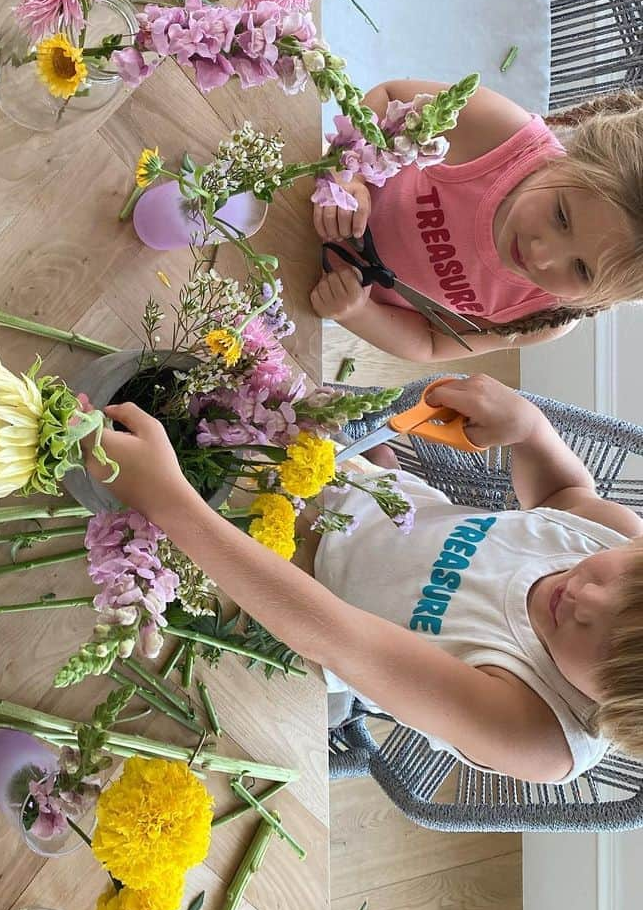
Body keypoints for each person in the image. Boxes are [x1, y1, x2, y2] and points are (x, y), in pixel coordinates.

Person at [85, 374, 643, 784]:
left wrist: (170, 501)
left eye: (604, 640)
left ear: (613, 712)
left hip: (289, 610)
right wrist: (533, 435)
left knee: (103, 567)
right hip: (354, 493)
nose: (586, 596)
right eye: (626, 577)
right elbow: (563, 500)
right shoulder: (615, 537)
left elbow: (341, 638)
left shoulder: (537, 735)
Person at [310, 84, 643, 362]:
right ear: (568, 157)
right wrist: (346, 176)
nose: (541, 255)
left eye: (582, 270)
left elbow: (430, 343)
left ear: (601, 298)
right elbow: (388, 98)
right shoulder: (502, 133)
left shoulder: (545, 317)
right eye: (561, 217)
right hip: (298, 192)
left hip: (305, 292)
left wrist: (357, 313)